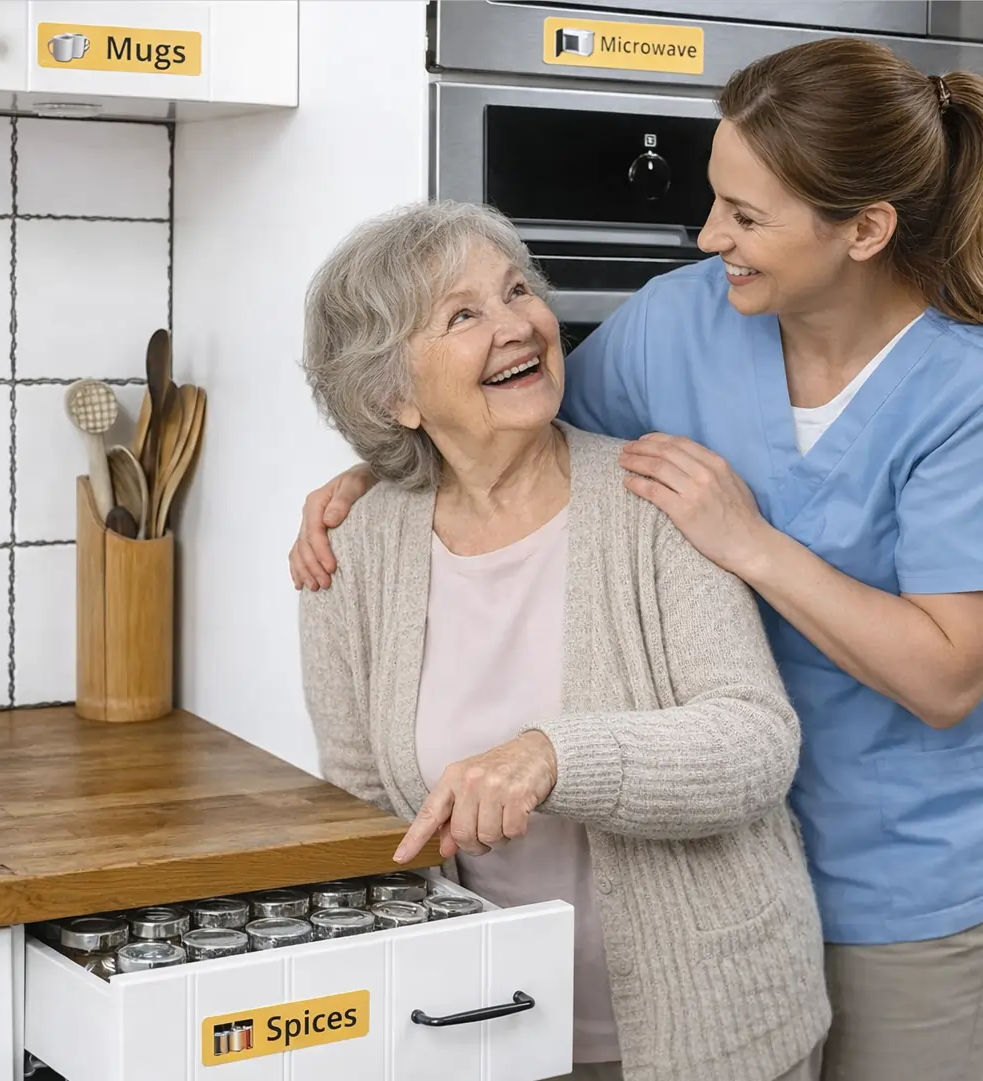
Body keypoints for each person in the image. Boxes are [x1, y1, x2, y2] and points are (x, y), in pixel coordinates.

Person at [290, 36, 983, 1081]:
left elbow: (945, 675)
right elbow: (524, 436)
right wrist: (376, 479)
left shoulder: (957, 392)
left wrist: (749, 543)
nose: (710, 237)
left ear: (865, 230)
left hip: (893, 874)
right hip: (665, 902)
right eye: (715, 199)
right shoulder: (680, 321)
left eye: (746, 218)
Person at [298, 199, 829, 1081]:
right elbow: (361, 813)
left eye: (517, 291)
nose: (516, 325)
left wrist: (553, 755)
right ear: (393, 396)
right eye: (462, 315)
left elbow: (755, 742)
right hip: (477, 1036)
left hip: (710, 1035)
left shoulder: (657, 501)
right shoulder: (352, 553)